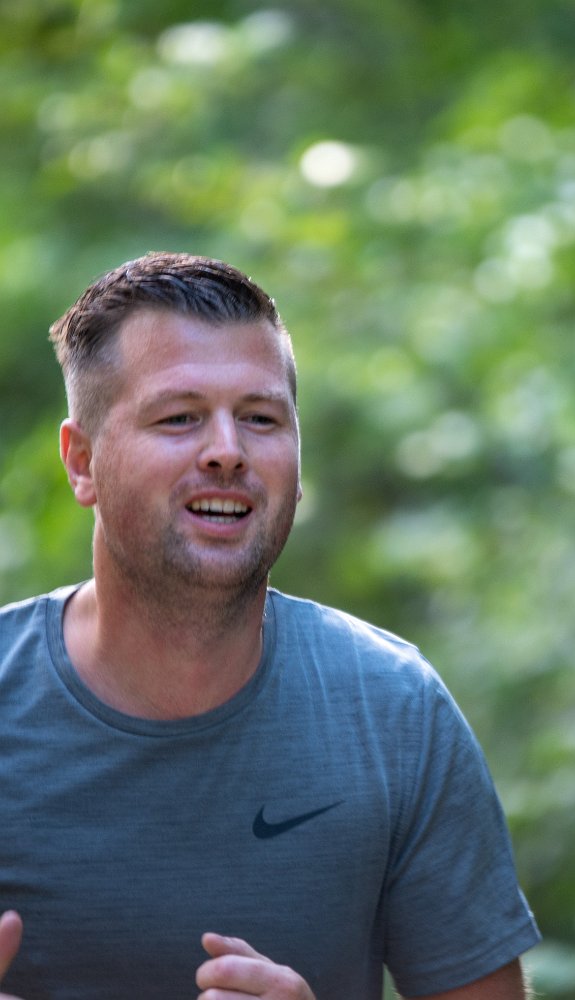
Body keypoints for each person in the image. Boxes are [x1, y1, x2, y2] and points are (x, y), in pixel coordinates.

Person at [0, 252, 540, 1000]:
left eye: (260, 418)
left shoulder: (394, 710)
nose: (228, 450)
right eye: (180, 417)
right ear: (82, 461)